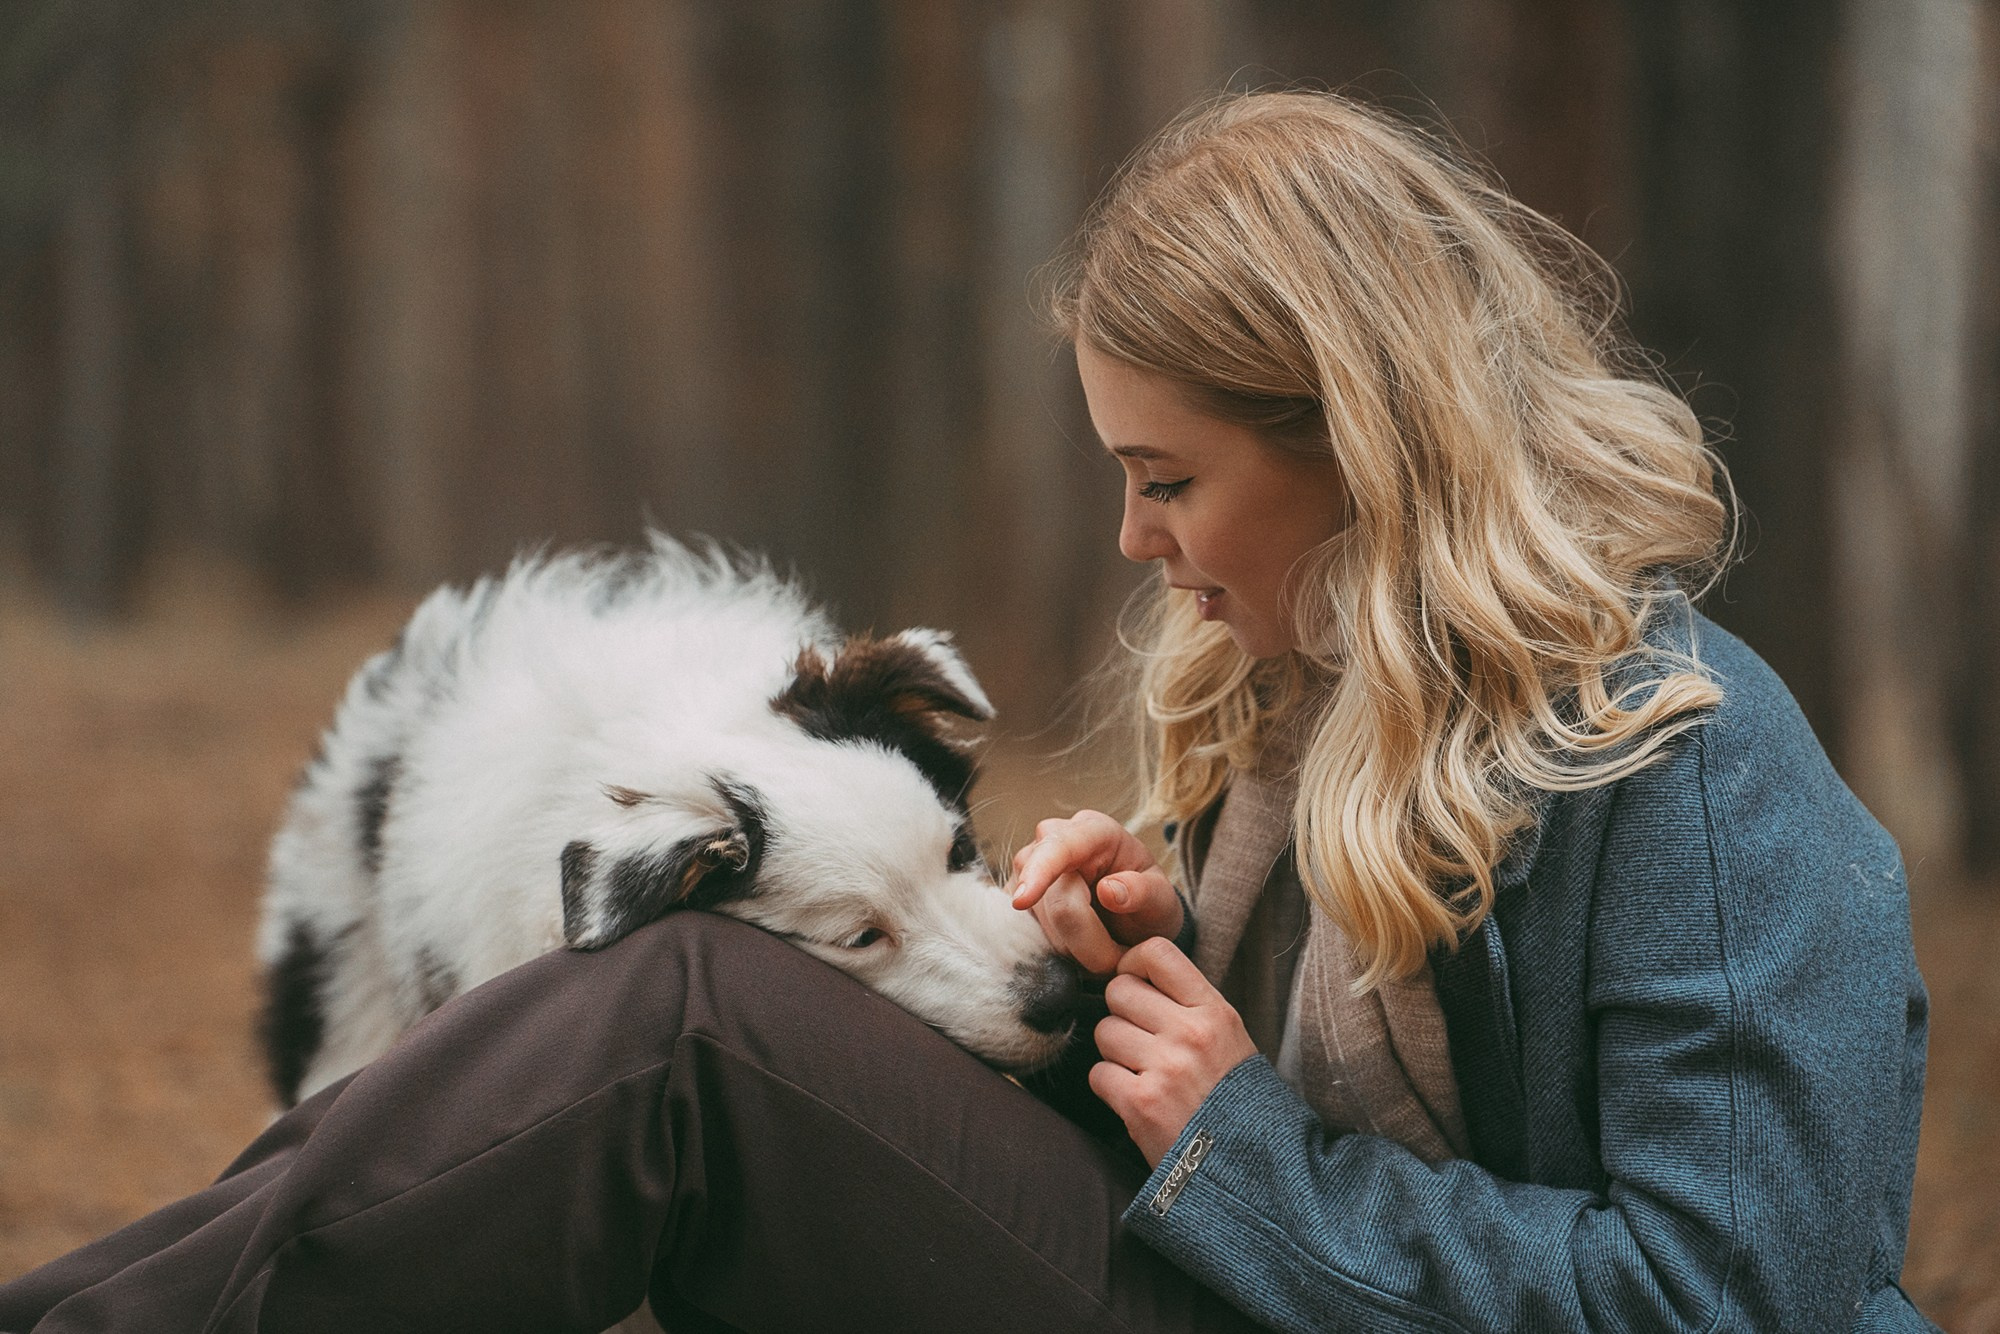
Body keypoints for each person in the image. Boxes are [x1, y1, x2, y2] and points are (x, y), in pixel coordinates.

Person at [0, 90, 1934, 1333]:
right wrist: (1141, 970)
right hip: (1214, 1281)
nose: (1130, 534)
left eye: (1167, 477)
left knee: (685, 1029)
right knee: (675, 997)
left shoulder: (1688, 771)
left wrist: (1240, 1146)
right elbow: (1372, 1085)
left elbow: (1725, 1293)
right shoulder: (1307, 703)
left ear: (1359, 444)